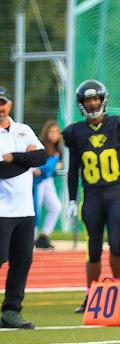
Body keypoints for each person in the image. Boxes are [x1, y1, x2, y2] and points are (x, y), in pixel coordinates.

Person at [63, 80, 120, 313]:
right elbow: (73, 168)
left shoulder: (118, 125)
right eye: (88, 100)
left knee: (116, 243)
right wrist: (73, 199)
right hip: (92, 194)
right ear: (81, 104)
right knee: (93, 247)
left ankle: (118, 290)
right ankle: (91, 295)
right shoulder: (75, 132)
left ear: (103, 100)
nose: (93, 103)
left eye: (96, 99)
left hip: (116, 191)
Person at [0, 85, 45, 329]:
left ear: (10, 105)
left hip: (25, 210)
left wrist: (16, 158)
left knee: (22, 261)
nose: (0, 108)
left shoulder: (23, 130)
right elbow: (2, 172)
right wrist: (26, 161)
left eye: (3, 102)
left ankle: (11, 311)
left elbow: (41, 157)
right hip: (1, 212)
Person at [32, 120, 63, 249]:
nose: (54, 135)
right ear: (46, 133)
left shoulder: (57, 149)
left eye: (57, 132)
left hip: (47, 181)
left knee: (56, 207)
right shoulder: (40, 145)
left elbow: (53, 167)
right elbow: (37, 164)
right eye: (51, 132)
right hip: (36, 182)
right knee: (35, 210)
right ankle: (30, 239)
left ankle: (44, 236)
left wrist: (57, 167)